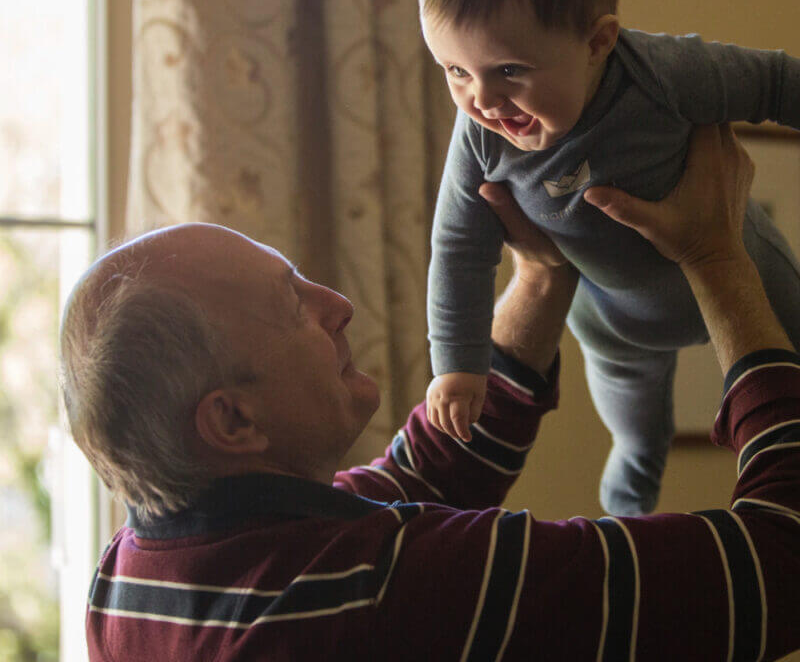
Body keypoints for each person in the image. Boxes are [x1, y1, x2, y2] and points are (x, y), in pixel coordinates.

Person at [60, 124, 800, 660]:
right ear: (232, 419)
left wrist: (540, 279)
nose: (337, 303)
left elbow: (422, 476)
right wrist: (716, 255)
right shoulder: (384, 592)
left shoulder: (128, 576)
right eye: (294, 306)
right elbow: (777, 565)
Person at [419, 0, 800, 516]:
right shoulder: (481, 140)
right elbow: (458, 248)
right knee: (636, 439)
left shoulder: (663, 74)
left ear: (598, 42)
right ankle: (628, 525)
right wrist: (457, 364)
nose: (480, 100)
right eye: (456, 71)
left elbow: (776, 82)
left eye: (508, 70)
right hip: (615, 326)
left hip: (747, 271)